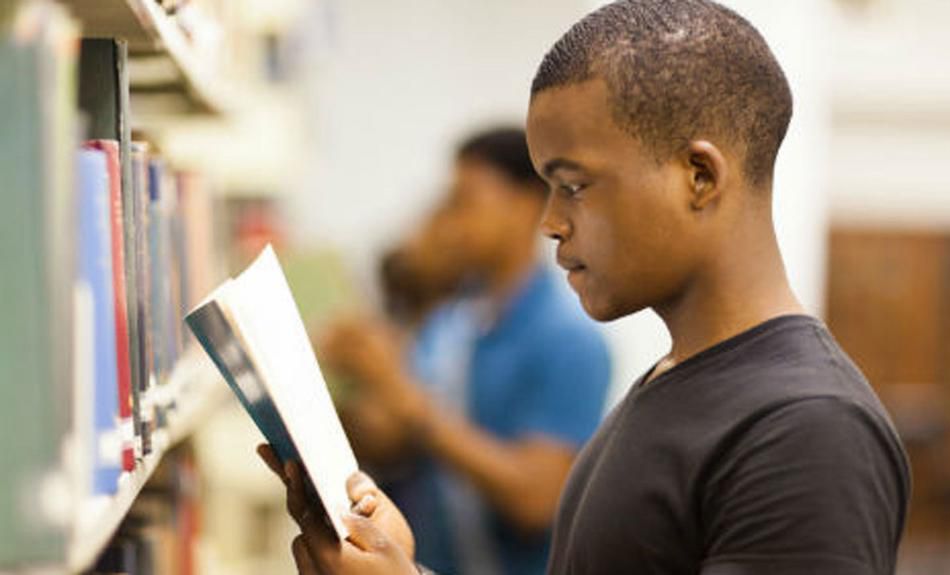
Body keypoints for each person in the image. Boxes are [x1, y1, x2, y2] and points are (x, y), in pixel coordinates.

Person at [259, 1, 912, 574]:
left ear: (699, 176)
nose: (550, 224)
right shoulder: (674, 382)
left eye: (573, 186)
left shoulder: (805, 429)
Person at [314, 128, 611, 575]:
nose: (451, 223)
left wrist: (407, 398)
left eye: (466, 202)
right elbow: (393, 441)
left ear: (526, 206)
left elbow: (535, 500)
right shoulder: (450, 323)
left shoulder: (571, 341)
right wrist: (338, 382)